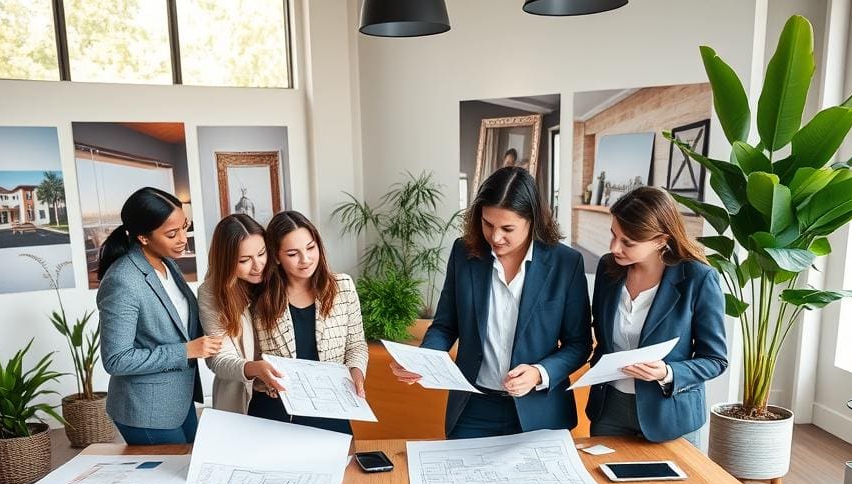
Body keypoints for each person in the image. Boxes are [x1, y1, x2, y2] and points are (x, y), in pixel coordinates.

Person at [392, 166, 593, 439]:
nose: (495, 237)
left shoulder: (565, 264)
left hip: (540, 412)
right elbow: (445, 326)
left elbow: (579, 344)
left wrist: (538, 372)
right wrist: (425, 359)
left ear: (532, 220)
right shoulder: (464, 253)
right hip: (473, 408)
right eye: (488, 224)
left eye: (507, 228)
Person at [585, 186, 728, 446]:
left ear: (661, 239)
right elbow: (602, 338)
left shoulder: (698, 279)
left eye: (628, 242)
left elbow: (715, 359)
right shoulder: (609, 269)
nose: (614, 247)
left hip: (669, 414)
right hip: (609, 410)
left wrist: (667, 371)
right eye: (613, 235)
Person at [96, 187, 220, 445]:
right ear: (143, 237)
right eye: (172, 233)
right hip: (145, 409)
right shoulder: (122, 281)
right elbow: (116, 360)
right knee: (171, 479)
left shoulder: (166, 263)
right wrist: (185, 351)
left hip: (178, 398)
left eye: (185, 227)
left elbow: (179, 323)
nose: (183, 239)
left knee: (189, 471)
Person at [250, 210, 368, 434]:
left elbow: (356, 345)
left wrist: (357, 373)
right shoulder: (259, 297)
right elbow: (251, 356)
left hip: (332, 408)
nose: (306, 259)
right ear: (276, 256)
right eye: (293, 253)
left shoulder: (342, 286)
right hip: (276, 411)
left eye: (311, 248)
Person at [198, 213, 275, 414]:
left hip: (283, 394)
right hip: (242, 398)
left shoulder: (277, 280)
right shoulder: (211, 293)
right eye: (244, 260)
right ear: (226, 261)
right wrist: (254, 368)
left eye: (262, 253)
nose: (258, 265)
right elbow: (219, 359)